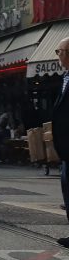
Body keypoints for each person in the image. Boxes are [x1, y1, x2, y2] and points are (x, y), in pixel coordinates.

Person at [52, 38, 69, 248]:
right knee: (66, 188)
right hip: (65, 147)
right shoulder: (65, 77)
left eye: (61, 51)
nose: (58, 55)